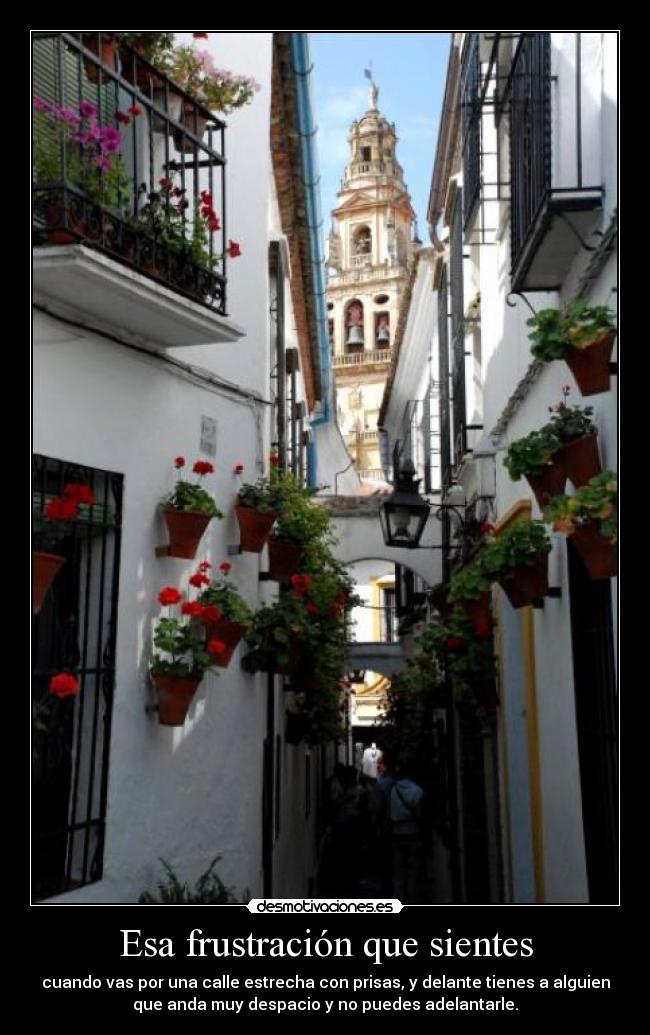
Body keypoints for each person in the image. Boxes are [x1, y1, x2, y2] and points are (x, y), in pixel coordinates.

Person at [389, 764, 425, 904]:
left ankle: (398, 900)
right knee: (413, 872)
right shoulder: (418, 791)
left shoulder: (394, 789)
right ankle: (411, 900)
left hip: (396, 832)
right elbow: (420, 813)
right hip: (413, 832)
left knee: (398, 872)